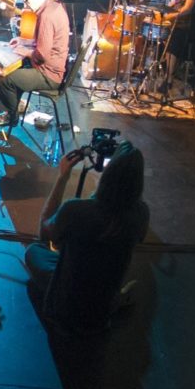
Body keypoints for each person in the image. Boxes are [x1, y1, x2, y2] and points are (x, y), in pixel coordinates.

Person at [26, 142, 149, 334]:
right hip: (101, 314)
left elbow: (44, 232)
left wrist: (62, 177)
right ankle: (115, 299)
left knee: (33, 251)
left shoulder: (76, 210)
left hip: (63, 311)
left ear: (107, 175)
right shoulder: (141, 214)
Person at [0, 0, 70, 135]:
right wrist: (24, 41)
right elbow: (46, 42)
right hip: (54, 67)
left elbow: (42, 55)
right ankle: (11, 108)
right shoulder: (54, 6)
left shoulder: (46, 16)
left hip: (49, 75)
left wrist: (24, 52)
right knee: (12, 71)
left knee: (6, 79)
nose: (26, 4)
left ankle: (10, 117)